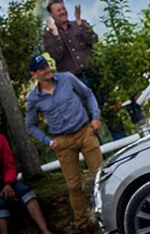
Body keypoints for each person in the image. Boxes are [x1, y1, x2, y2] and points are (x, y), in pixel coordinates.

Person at [24, 55, 102, 233]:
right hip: (62, 142)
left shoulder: (67, 78)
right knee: (74, 186)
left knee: (100, 175)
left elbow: (88, 94)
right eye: (41, 68)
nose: (46, 70)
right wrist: (48, 141)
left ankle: (109, 211)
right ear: (34, 74)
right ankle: (84, 227)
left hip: (85, 131)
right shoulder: (33, 99)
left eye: (46, 66)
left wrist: (95, 117)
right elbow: (30, 125)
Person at [0, 133, 51, 234]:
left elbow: (9, 165)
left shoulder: (1, 139)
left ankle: (46, 232)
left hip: (6, 182)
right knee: (0, 204)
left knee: (25, 190)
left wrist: (8, 183)